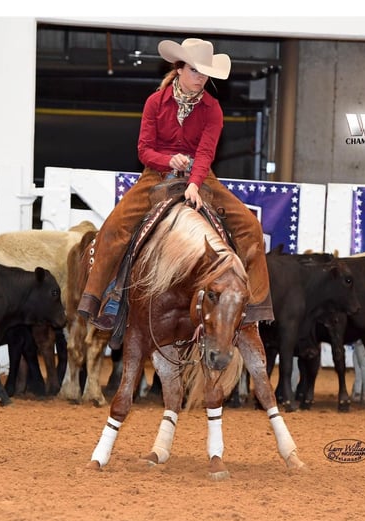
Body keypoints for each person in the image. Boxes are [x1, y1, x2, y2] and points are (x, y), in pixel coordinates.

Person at [77, 38, 273, 330]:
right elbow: (144, 149)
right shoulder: (155, 102)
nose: (201, 78)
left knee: (249, 226)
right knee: (114, 228)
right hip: (156, 174)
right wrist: (168, 161)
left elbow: (206, 152)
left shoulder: (212, 109)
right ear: (179, 68)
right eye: (195, 71)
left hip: (201, 175)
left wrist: (194, 183)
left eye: (205, 73)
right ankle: (103, 297)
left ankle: (255, 304)